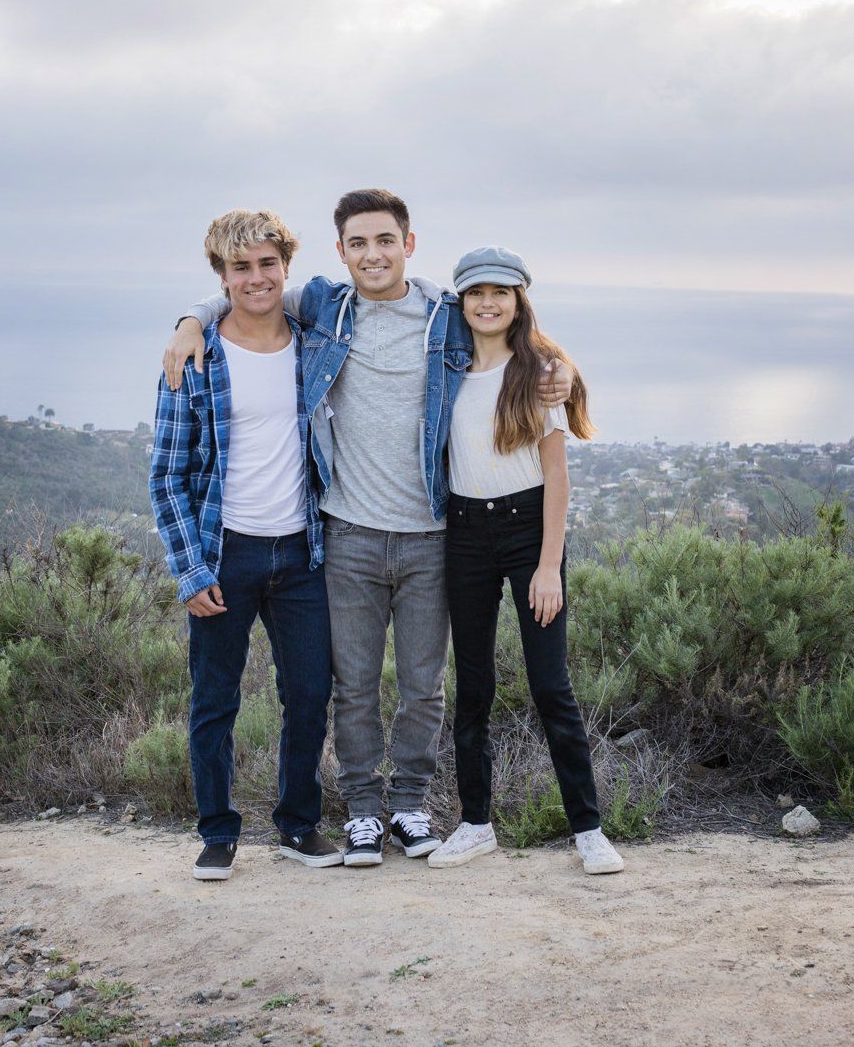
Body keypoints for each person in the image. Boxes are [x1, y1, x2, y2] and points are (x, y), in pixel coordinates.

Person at [162, 189, 575, 866]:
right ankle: (359, 810)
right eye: (358, 243)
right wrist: (187, 322)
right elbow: (242, 294)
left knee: (422, 684)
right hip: (346, 532)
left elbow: (518, 337)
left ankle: (409, 805)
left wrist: (564, 369)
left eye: (385, 240)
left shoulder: (446, 315)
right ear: (341, 252)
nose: (373, 254)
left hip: (430, 534)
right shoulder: (324, 306)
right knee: (350, 684)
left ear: (409, 244)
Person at [149, 209, 343, 881]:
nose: (256, 277)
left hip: (301, 552)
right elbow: (167, 474)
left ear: (284, 266)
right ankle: (217, 833)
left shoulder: (314, 338)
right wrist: (190, 567)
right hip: (224, 551)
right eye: (241, 267)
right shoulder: (195, 357)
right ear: (222, 275)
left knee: (312, 692)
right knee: (215, 697)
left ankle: (297, 825)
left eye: (267, 263)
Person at [425, 247, 624, 875]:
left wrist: (547, 566)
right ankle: (475, 823)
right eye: (476, 292)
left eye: (500, 293)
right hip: (463, 533)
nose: (488, 303)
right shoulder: (446, 368)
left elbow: (557, 478)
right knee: (473, 684)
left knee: (550, 686)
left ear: (519, 301)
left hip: (526, 531)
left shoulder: (540, 374)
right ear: (460, 300)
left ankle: (588, 829)